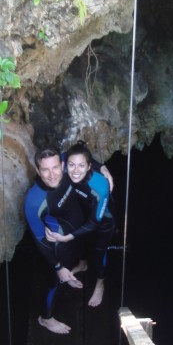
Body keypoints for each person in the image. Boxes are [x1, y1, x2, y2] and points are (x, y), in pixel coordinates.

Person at [45, 141, 115, 308]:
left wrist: (67, 237)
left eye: (81, 166)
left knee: (98, 254)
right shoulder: (65, 168)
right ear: (65, 165)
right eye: (71, 165)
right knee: (80, 244)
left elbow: (93, 223)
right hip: (82, 216)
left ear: (89, 166)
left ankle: (100, 283)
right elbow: (59, 159)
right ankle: (82, 265)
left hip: (102, 223)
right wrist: (102, 166)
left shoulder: (100, 186)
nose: (75, 171)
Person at [24, 146, 85, 334]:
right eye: (45, 170)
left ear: (63, 164)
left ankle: (72, 272)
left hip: (74, 232)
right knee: (54, 282)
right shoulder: (34, 200)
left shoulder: (68, 165)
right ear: (37, 171)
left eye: (55, 168)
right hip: (57, 243)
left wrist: (103, 168)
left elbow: (82, 155)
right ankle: (46, 318)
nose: (52, 175)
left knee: (78, 257)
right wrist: (58, 267)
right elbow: (40, 239)